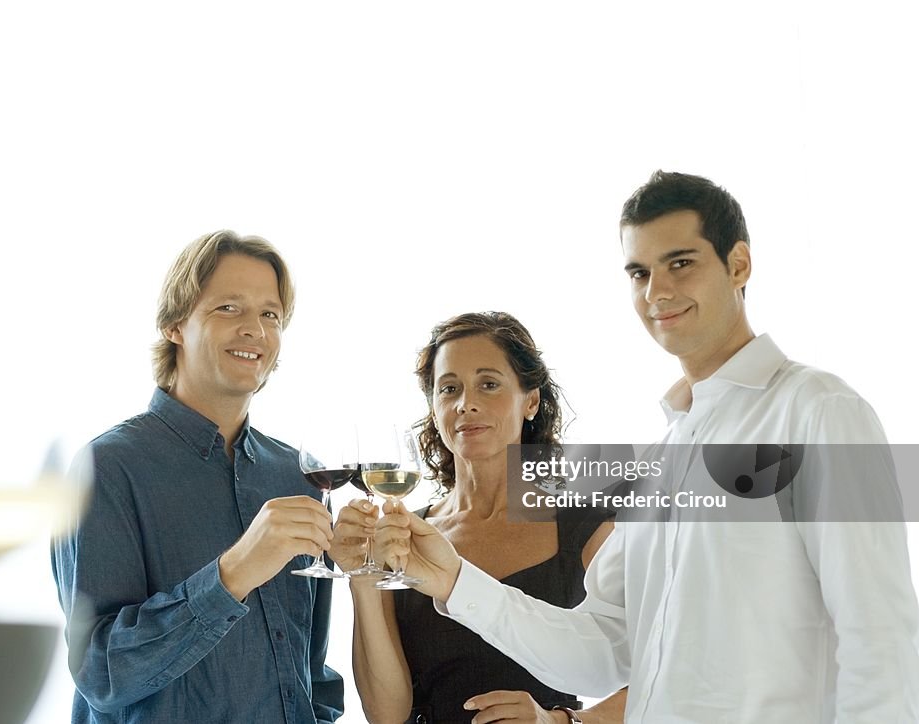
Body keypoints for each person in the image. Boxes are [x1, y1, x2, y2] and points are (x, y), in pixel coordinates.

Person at [376, 172, 919, 722]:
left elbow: (881, 640)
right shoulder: (663, 457)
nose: (657, 292)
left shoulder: (819, 411)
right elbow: (600, 649)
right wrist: (454, 579)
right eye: (640, 272)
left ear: (738, 266)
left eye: (680, 263)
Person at [51, 231, 344, 723]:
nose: (255, 329)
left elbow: (309, 668)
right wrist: (233, 575)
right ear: (174, 325)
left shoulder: (297, 476)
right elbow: (101, 672)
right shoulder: (105, 469)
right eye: (229, 308)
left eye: (270, 314)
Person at [331, 312, 627, 723]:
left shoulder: (589, 527)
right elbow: (386, 714)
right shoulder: (403, 536)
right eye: (449, 388)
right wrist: (362, 578)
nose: (465, 403)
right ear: (434, 409)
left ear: (532, 401)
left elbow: (665, 670)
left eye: (488, 384)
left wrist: (562, 721)